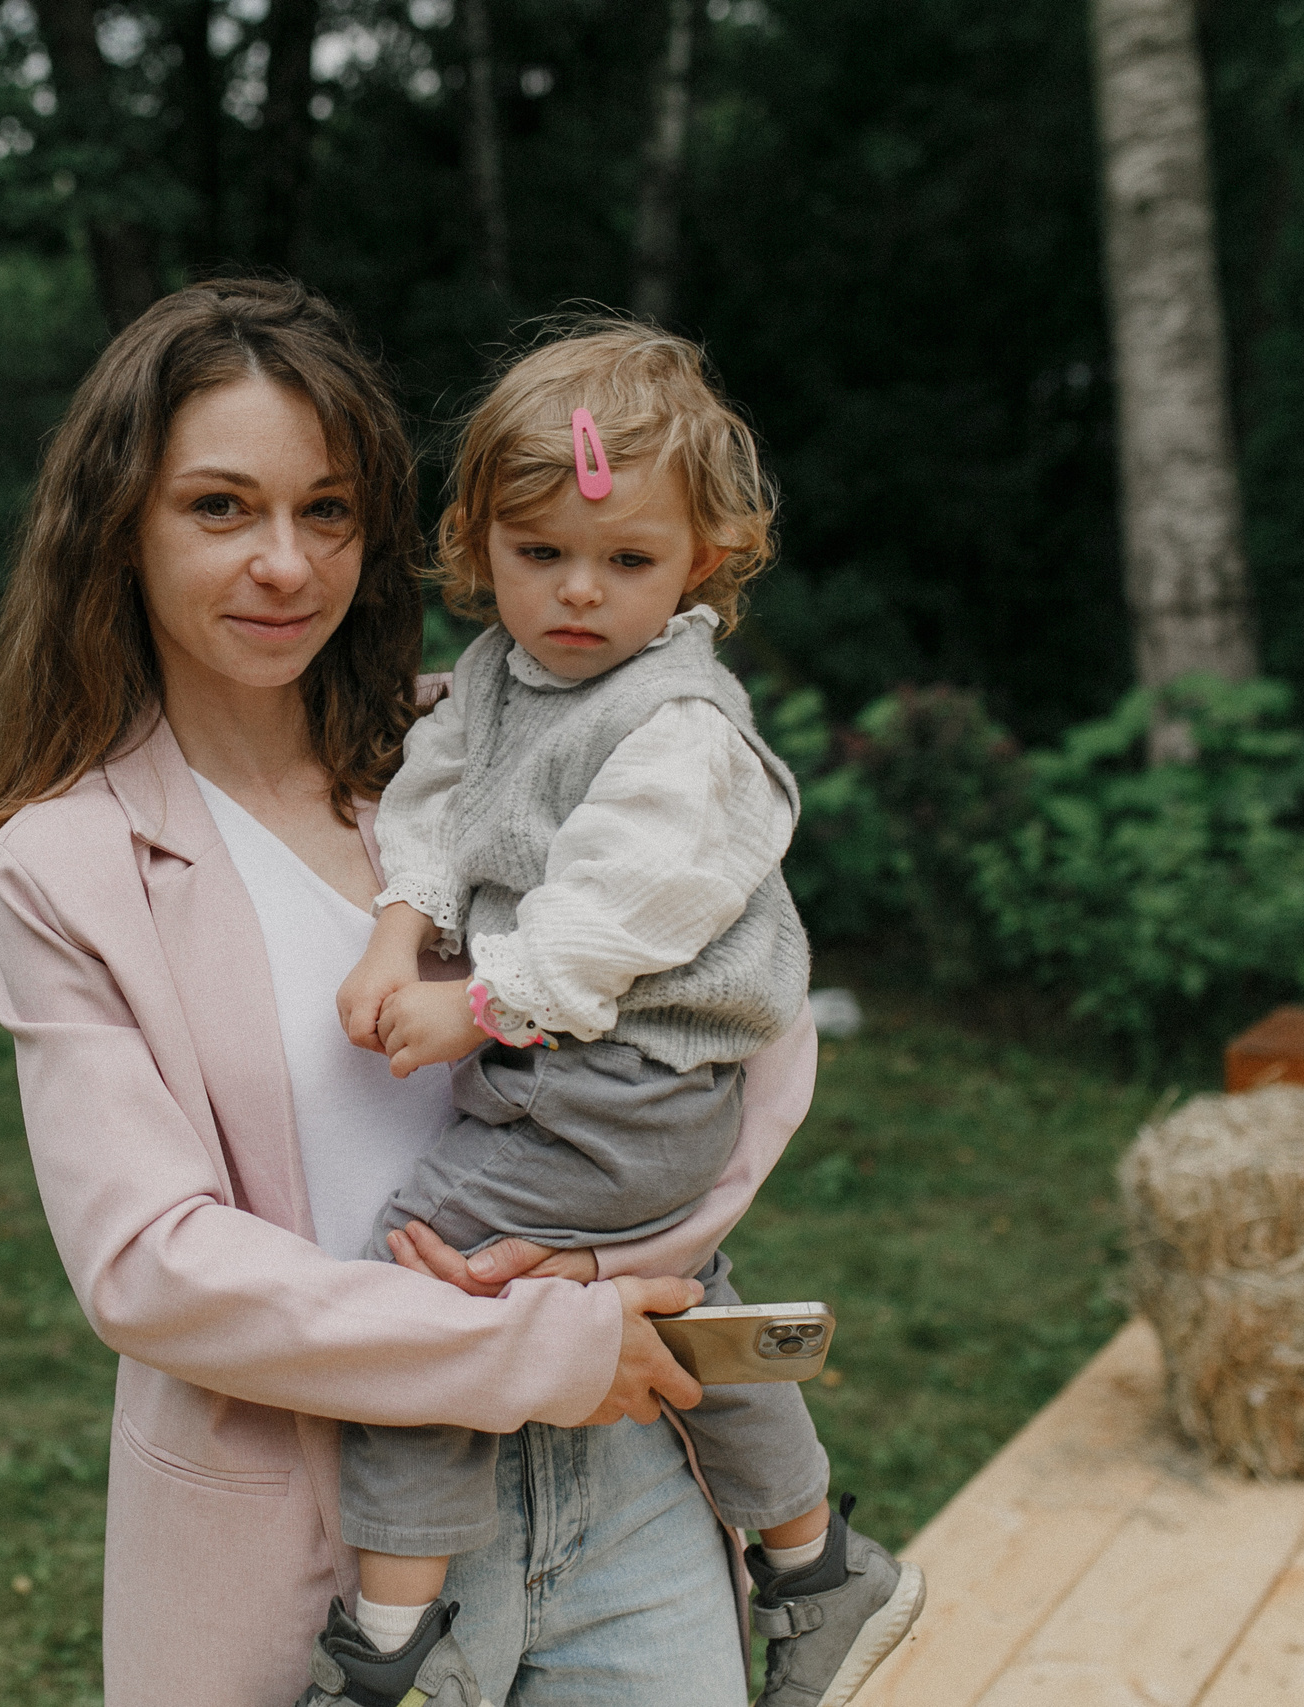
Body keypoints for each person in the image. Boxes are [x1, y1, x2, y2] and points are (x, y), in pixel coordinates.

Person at [0, 277, 819, 1707]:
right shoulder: (69, 863)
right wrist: (525, 1342)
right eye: (220, 508)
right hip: (335, 1534)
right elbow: (151, 1266)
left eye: (329, 511)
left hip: (624, 1479)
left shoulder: (494, 741)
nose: (284, 563)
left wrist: (610, 1276)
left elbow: (752, 1042)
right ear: (121, 524)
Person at [317, 323, 925, 1707]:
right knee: (681, 1297)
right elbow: (434, 796)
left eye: (628, 561)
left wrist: (472, 1008)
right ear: (480, 543)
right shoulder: (498, 675)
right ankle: (817, 1566)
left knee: (420, 1284)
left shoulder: (682, 727)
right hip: (577, 1071)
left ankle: (390, 1650)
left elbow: (614, 911)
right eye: (541, 557)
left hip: (626, 1075)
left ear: (702, 559)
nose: (579, 594)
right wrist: (395, 926)